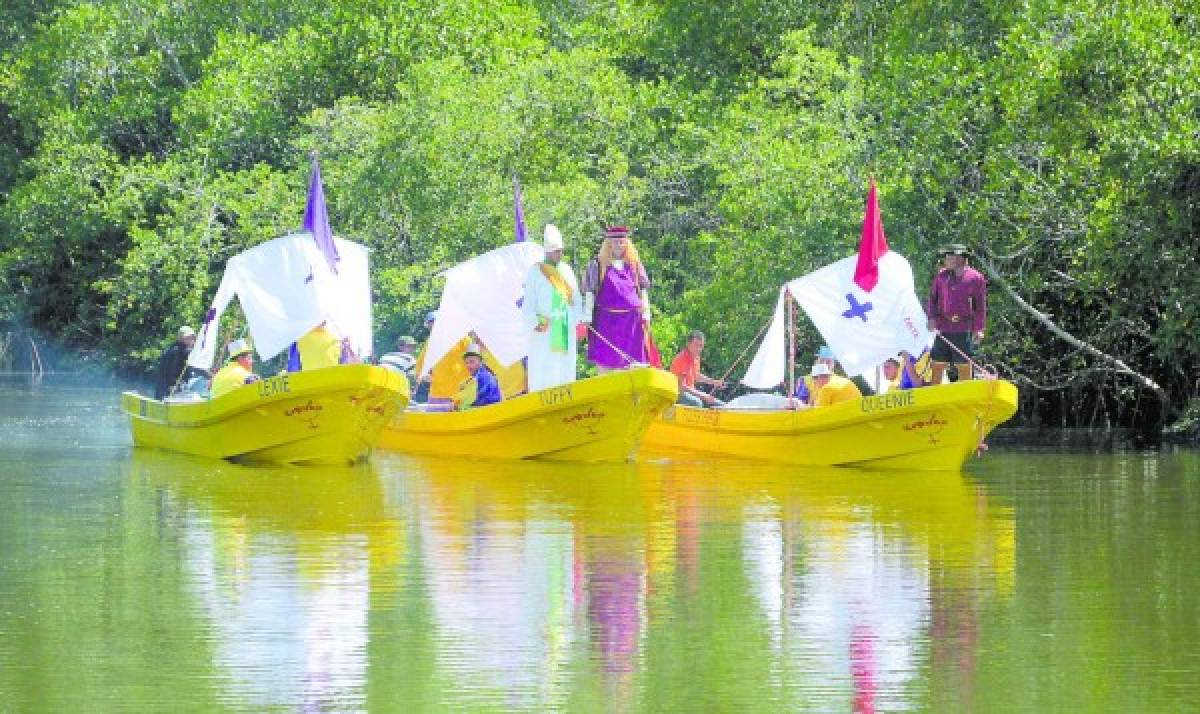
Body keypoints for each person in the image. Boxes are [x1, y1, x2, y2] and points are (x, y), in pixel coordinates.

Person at [522, 224, 583, 392]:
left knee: (563, 364)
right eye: (556, 251)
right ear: (547, 251)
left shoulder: (567, 270)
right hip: (545, 329)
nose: (560, 254)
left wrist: (576, 319)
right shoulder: (535, 271)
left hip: (564, 325)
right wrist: (537, 322)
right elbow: (528, 304)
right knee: (544, 364)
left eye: (561, 251)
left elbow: (576, 299)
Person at [582, 225, 652, 371]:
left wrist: (646, 313)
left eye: (622, 241)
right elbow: (590, 291)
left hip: (632, 323)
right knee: (607, 363)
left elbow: (643, 290)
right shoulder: (598, 265)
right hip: (607, 322)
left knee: (633, 363)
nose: (619, 245)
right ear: (608, 244)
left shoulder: (634, 265)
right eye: (615, 242)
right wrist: (587, 315)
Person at [927, 243, 987, 383]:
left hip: (963, 328)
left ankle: (966, 394)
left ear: (959, 258)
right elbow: (932, 299)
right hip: (943, 326)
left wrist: (979, 329)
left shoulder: (975, 278)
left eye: (949, 256)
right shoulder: (941, 276)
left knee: (964, 365)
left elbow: (980, 306)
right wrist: (932, 318)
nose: (946, 260)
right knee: (937, 363)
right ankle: (934, 394)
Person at [669, 330, 726, 408]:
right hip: (678, 393)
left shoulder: (696, 358)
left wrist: (714, 382)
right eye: (696, 345)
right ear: (688, 344)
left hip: (690, 392)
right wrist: (703, 395)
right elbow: (682, 387)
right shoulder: (681, 359)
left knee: (722, 406)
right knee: (697, 403)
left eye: (701, 346)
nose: (699, 349)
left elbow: (696, 376)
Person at [154, 326, 209, 399]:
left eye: (192, 338)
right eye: (188, 338)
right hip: (168, 391)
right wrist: (209, 375)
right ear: (181, 339)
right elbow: (171, 374)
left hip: (170, 389)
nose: (191, 340)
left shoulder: (180, 350)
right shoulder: (176, 352)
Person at [454, 344, 502, 409]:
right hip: (488, 408)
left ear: (480, 362)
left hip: (490, 410)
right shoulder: (479, 374)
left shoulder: (483, 376)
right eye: (466, 362)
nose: (468, 365)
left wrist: (460, 406)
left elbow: (479, 400)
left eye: (471, 362)